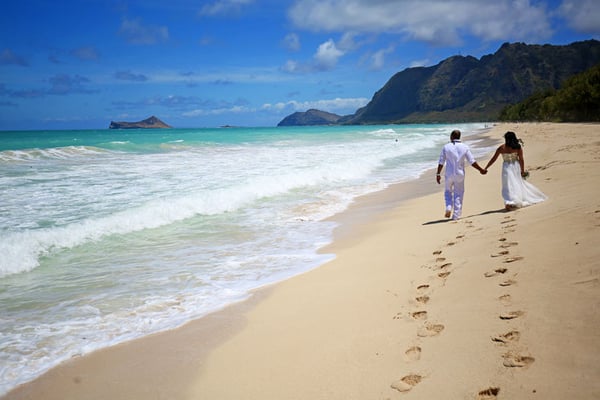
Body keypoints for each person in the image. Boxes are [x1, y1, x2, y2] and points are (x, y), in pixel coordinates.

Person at [483, 131, 547, 210]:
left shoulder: (501, 148)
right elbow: (521, 159)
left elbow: (493, 159)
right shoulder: (517, 147)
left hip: (506, 167)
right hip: (516, 166)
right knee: (516, 182)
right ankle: (513, 201)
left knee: (508, 184)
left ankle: (510, 201)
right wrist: (522, 171)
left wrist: (486, 167)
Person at [436, 129, 487, 220]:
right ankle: (456, 215)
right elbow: (472, 161)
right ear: (459, 137)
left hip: (449, 173)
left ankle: (448, 207)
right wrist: (481, 170)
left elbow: (441, 162)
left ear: (451, 137)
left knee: (448, 191)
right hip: (460, 174)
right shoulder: (464, 147)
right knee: (458, 194)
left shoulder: (446, 147)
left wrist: (438, 174)